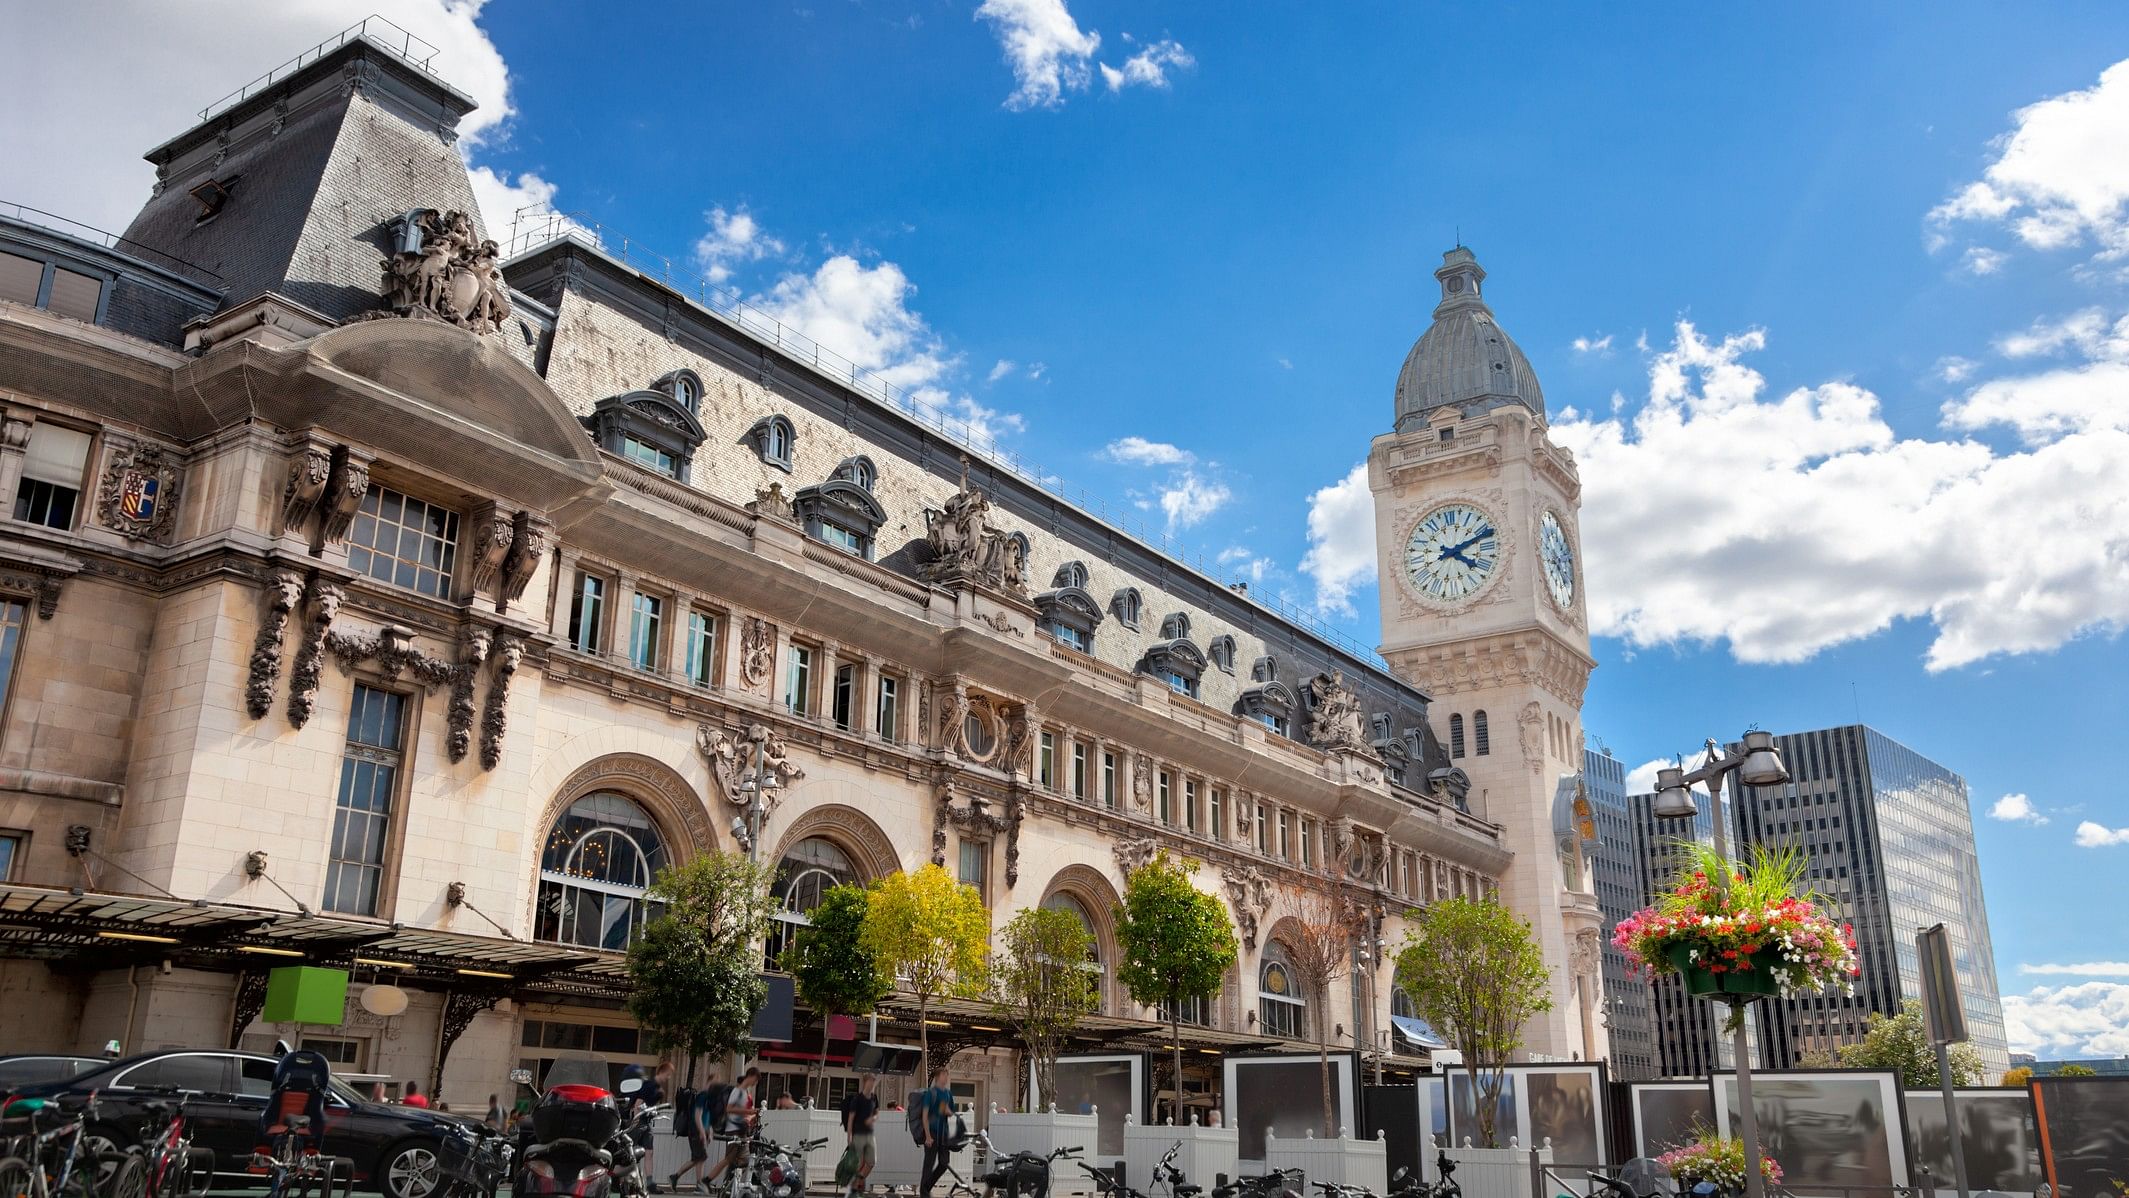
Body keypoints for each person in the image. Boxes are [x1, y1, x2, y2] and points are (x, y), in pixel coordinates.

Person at [702, 1067, 760, 1194]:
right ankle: (707, 1180)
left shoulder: (744, 1093)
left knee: (744, 1160)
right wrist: (748, 1112)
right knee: (729, 1159)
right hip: (733, 1130)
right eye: (755, 1079)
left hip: (740, 1130)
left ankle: (728, 1184)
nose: (755, 1083)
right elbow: (729, 1109)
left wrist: (750, 1118)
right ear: (751, 1076)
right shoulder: (738, 1091)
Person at [669, 1073, 716, 1195]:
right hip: (695, 1130)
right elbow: (697, 1116)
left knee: (698, 1158)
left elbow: (708, 1117)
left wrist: (709, 1132)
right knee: (700, 1157)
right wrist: (701, 1132)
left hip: (701, 1131)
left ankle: (676, 1177)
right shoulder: (702, 1096)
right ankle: (698, 1185)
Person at [917, 1065, 955, 1198]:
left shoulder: (948, 1093)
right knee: (929, 1164)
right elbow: (924, 1116)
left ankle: (927, 1187)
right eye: (944, 1075)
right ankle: (924, 1193)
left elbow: (951, 1113)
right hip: (932, 1133)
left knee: (944, 1163)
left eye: (947, 1075)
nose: (946, 1077)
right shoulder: (931, 1093)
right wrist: (927, 1136)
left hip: (943, 1134)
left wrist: (947, 1111)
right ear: (938, 1076)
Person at [838, 1074, 879, 1198]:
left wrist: (873, 1118)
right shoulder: (857, 1099)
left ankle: (856, 1182)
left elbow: (877, 1111)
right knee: (859, 1163)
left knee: (871, 1162)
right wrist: (849, 1137)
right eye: (870, 1082)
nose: (872, 1085)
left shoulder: (874, 1098)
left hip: (870, 1134)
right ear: (865, 1083)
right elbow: (850, 1119)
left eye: (873, 1082)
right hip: (858, 1134)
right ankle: (854, 1189)